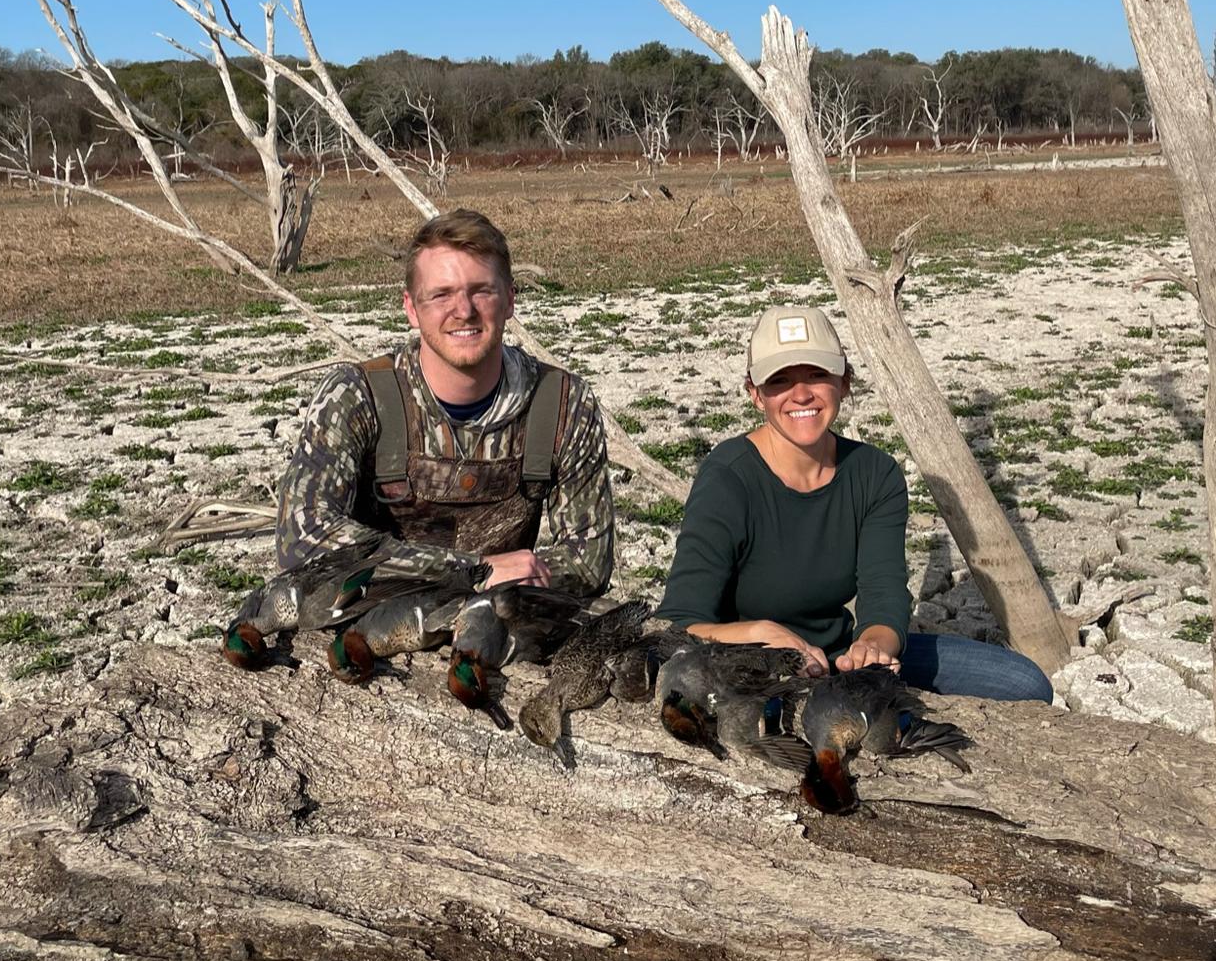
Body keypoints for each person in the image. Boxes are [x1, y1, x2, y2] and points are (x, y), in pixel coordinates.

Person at [656, 304, 1052, 701]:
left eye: (817, 375)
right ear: (755, 395)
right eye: (780, 380)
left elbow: (883, 591)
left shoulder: (874, 473)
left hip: (841, 657)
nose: (801, 394)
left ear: (844, 382)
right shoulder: (727, 478)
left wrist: (873, 647)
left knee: (1025, 682)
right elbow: (676, 624)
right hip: (745, 665)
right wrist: (761, 637)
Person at [276, 209, 613, 596]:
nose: (464, 311)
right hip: (371, 616)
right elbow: (301, 542)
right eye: (442, 295)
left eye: (481, 291)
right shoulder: (356, 396)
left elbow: (588, 564)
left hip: (498, 619)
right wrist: (473, 571)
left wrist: (511, 580)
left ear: (510, 300)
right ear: (411, 308)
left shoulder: (562, 403)